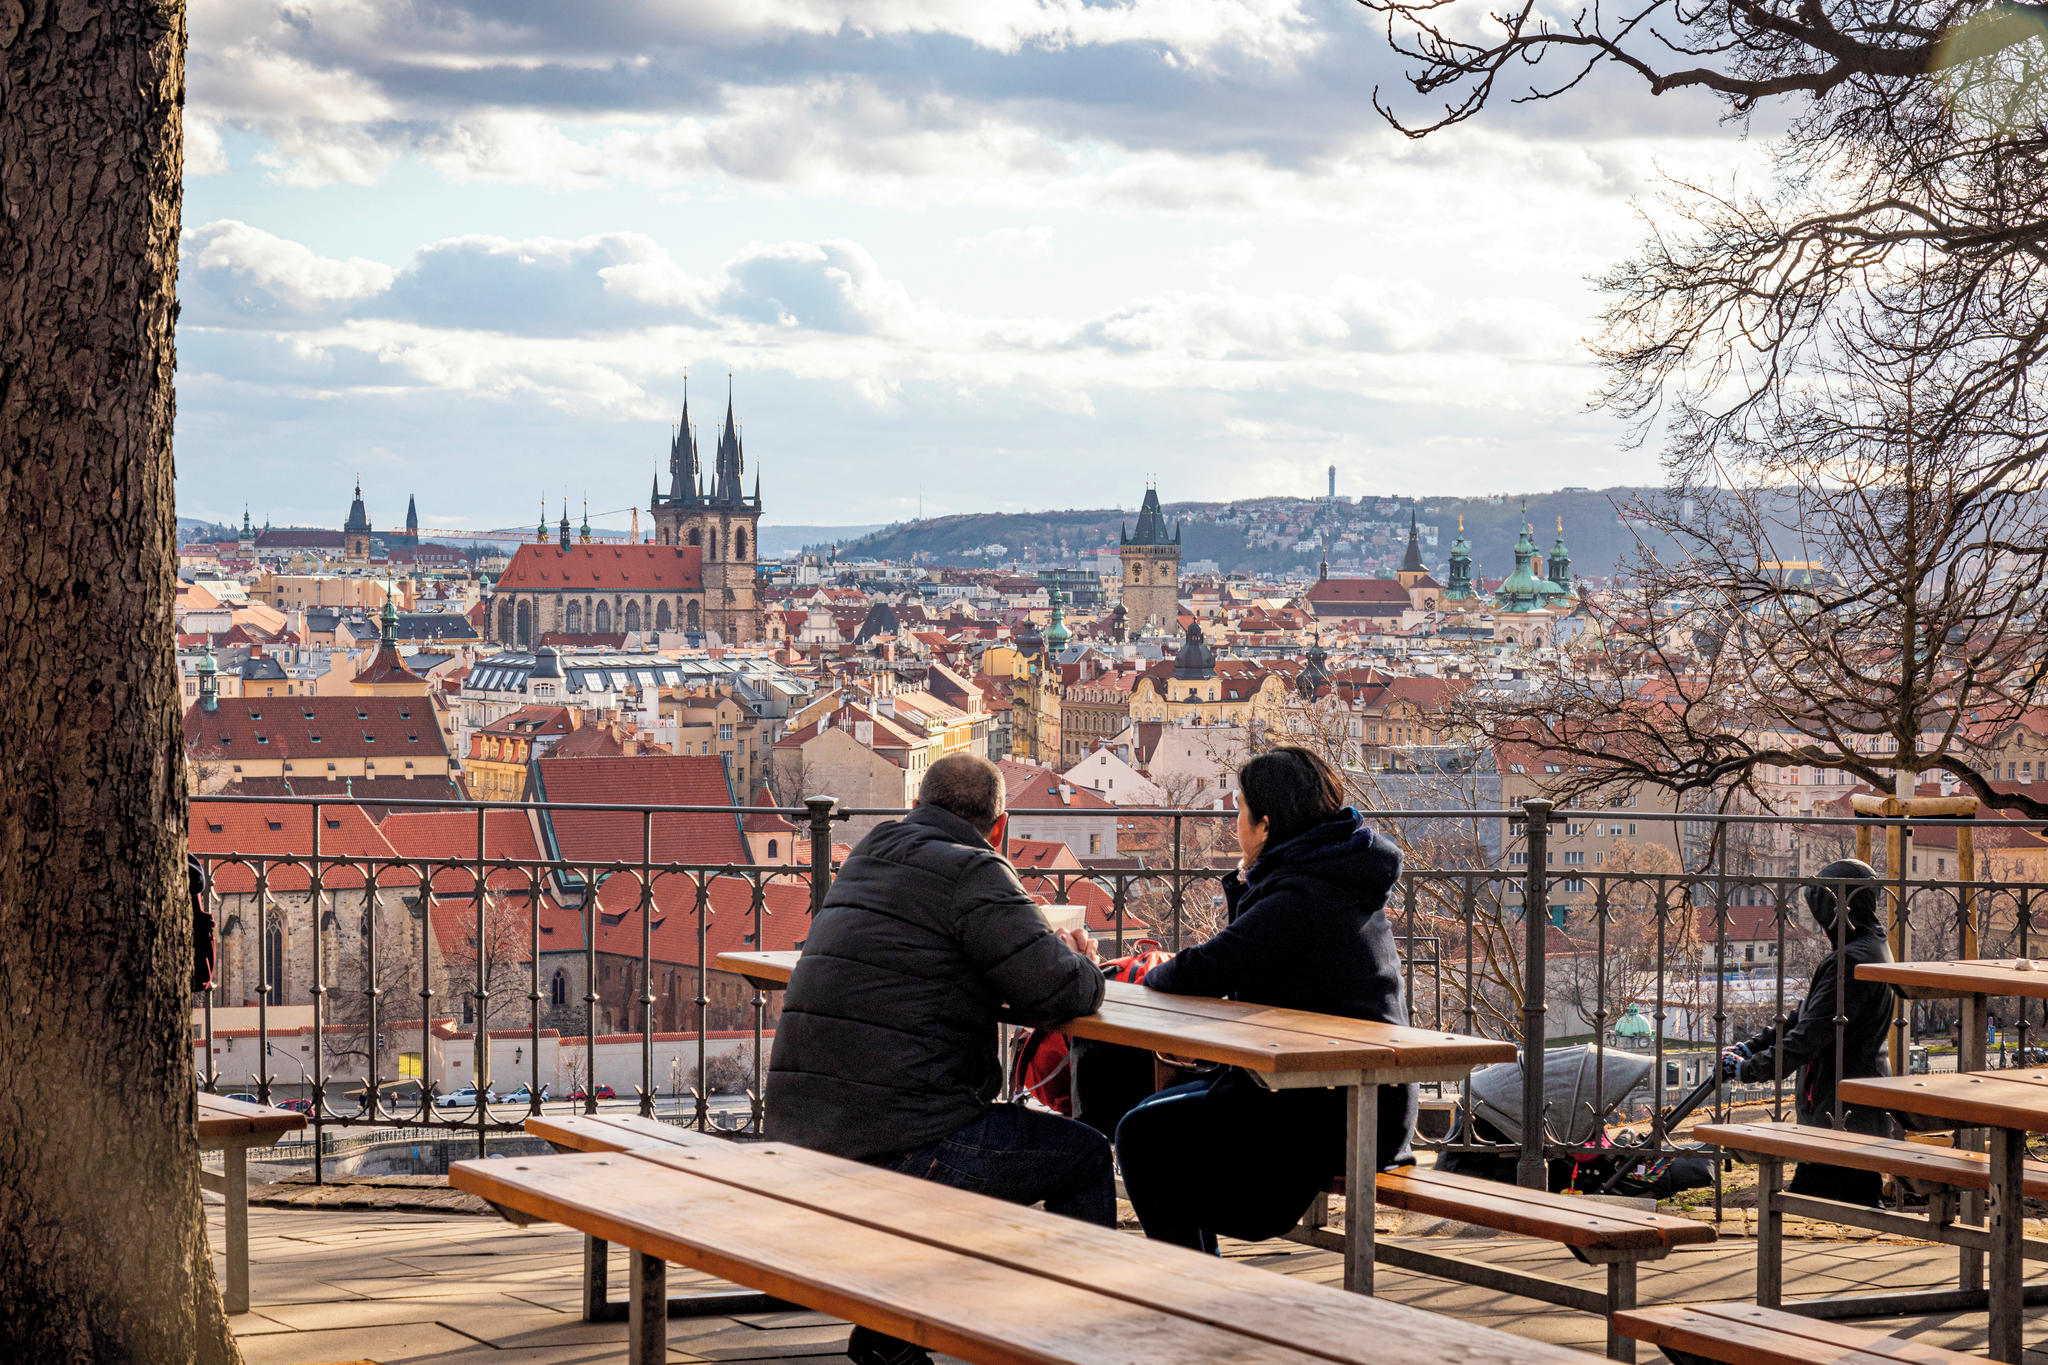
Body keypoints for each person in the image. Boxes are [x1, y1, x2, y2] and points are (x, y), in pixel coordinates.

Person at [766, 751, 1112, 1365]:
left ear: (916, 806)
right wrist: (1079, 956)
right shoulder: (975, 869)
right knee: (1082, 1156)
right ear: (999, 827)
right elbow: (1061, 990)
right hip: (897, 1145)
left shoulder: (870, 851)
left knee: (970, 1134)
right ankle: (1076, 1345)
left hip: (800, 1137)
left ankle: (891, 1338)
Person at [1114, 746, 1416, 1253]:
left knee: (1143, 1135)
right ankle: (1194, 1274)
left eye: (1239, 810)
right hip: (1339, 1092)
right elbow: (1247, 957)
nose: (1235, 822)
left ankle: (1188, 1283)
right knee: (1152, 1115)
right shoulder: (1332, 872)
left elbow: (1210, 967)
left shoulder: (1303, 896)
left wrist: (1148, 972)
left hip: (1335, 1107)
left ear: (1266, 824)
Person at [1721, 858, 1897, 1206]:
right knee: (1860, 1203)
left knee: (1802, 1207)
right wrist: (1752, 1047)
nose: (1820, 926)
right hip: (1856, 1107)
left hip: (1841, 1112)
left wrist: (1747, 1069)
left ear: (1836, 909)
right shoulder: (1869, 945)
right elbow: (1806, 1015)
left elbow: (1808, 1038)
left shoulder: (1849, 961)